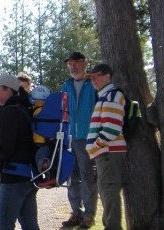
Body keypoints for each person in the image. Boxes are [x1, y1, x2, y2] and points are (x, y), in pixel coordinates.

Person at [0, 74, 39, 230]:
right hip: (28, 177)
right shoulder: (23, 109)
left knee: (4, 226)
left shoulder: (10, 112)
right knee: (30, 225)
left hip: (13, 178)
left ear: (8, 90)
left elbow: (3, 151)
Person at [85, 63, 127, 230]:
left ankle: (112, 227)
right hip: (106, 152)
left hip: (109, 152)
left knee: (109, 192)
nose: (94, 80)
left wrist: (95, 147)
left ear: (108, 75)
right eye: (92, 77)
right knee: (106, 191)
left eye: (98, 76)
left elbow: (111, 129)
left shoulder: (111, 96)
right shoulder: (105, 96)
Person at [61, 52, 98, 228]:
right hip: (70, 138)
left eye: (76, 63)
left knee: (88, 176)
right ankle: (76, 213)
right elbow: (63, 110)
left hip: (88, 137)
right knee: (71, 177)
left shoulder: (93, 84)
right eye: (70, 63)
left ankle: (89, 215)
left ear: (85, 63)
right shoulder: (66, 85)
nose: (73, 66)